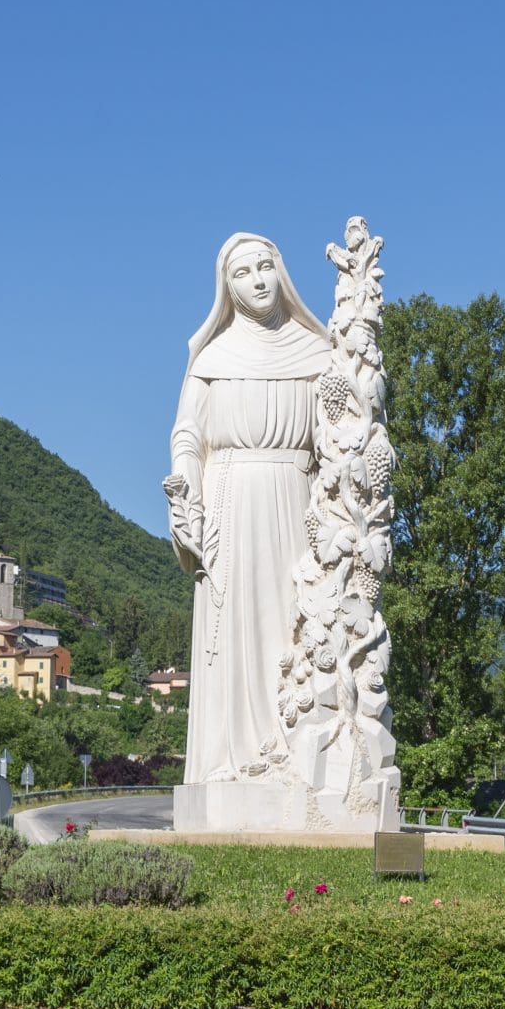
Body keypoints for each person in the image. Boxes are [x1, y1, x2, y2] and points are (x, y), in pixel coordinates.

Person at [164, 233, 330, 784]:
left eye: (266, 267)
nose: (259, 280)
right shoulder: (213, 357)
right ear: (227, 288)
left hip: (298, 501)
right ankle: (234, 759)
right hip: (232, 502)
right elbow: (187, 436)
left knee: (295, 624)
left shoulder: (318, 353)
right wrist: (186, 485)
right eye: (244, 272)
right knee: (238, 628)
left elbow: (344, 433)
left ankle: (300, 749)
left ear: (282, 273)